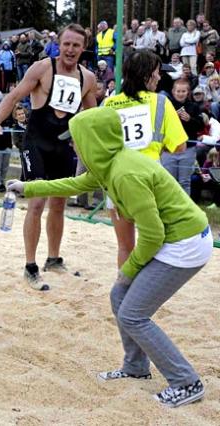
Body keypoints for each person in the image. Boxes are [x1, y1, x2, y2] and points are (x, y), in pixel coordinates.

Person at [7, 106, 211, 408]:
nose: (72, 146)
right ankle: (136, 367)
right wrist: (28, 187)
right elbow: (73, 184)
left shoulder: (125, 172)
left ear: (95, 141)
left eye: (76, 140)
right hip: (174, 239)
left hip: (185, 244)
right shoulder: (110, 163)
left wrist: (128, 270)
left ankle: (186, 381)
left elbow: (152, 234)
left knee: (133, 313)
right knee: (120, 298)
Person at [0, 23, 98, 290]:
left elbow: (92, 117)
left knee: (59, 204)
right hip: (36, 143)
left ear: (83, 48)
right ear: (59, 44)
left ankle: (54, 258)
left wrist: (91, 147)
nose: (71, 50)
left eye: (76, 45)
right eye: (67, 44)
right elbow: (14, 96)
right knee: (37, 203)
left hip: (63, 146)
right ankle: (30, 265)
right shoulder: (42, 68)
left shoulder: (88, 78)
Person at [102, 50, 187, 268]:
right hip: (149, 179)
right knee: (155, 243)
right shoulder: (160, 102)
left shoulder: (110, 103)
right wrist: (157, 148)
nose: (160, 77)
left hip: (117, 181)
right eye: (157, 73)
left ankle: (123, 295)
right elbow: (180, 146)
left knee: (124, 247)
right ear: (147, 74)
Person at [162, 80, 204, 195]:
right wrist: (172, 118)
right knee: (169, 181)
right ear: (173, 91)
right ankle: (169, 208)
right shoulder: (166, 105)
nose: (180, 94)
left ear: (188, 92)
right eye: (178, 91)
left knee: (185, 182)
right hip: (169, 149)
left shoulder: (194, 107)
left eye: (183, 91)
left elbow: (201, 126)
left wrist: (190, 119)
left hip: (188, 149)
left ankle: (185, 210)